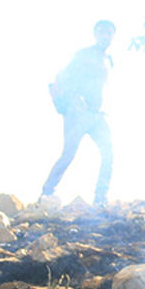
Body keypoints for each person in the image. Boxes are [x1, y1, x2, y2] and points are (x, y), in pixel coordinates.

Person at [42, 20, 115, 206]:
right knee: (68, 154)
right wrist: (74, 100)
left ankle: (100, 198)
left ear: (113, 36)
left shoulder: (109, 60)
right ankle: (46, 193)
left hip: (97, 115)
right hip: (78, 114)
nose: (105, 36)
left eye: (108, 32)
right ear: (95, 34)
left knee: (108, 153)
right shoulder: (84, 55)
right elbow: (62, 77)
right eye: (101, 32)